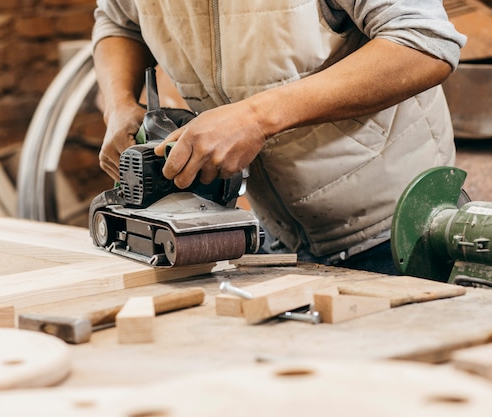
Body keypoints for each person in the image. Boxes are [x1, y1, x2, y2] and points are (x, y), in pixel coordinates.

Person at [91, 0, 466, 275]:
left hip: (400, 232)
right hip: (277, 236)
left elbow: (423, 40)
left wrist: (256, 117)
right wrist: (119, 104)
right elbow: (118, 20)